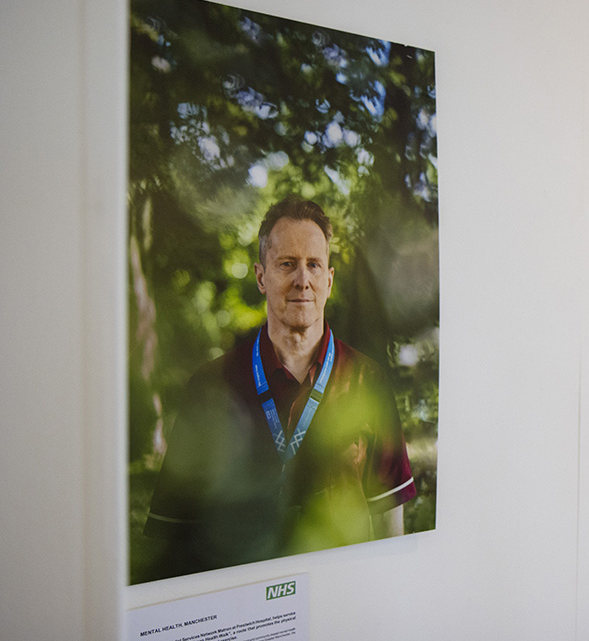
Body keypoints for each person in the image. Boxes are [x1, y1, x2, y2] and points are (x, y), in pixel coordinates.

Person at [143, 196, 416, 579]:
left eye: (313, 265)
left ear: (329, 279)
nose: (302, 280)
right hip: (242, 609)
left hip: (339, 601)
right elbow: (171, 533)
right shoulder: (210, 386)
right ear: (261, 276)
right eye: (287, 264)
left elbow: (390, 526)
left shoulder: (367, 381)